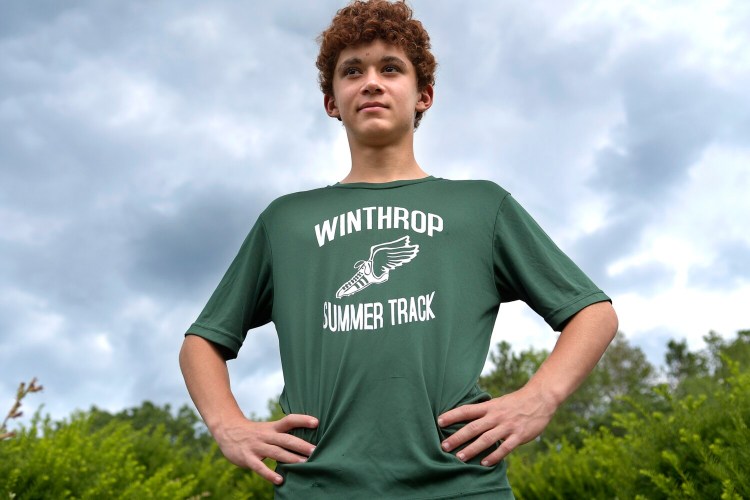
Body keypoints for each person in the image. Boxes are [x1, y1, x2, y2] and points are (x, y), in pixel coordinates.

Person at [179, 0, 618, 498]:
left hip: (460, 484)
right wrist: (228, 425)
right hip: (318, 487)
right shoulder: (287, 221)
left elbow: (593, 313)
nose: (371, 82)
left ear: (423, 95)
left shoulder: (479, 206)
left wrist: (539, 398)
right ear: (331, 101)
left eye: (391, 68)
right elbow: (203, 342)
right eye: (352, 72)